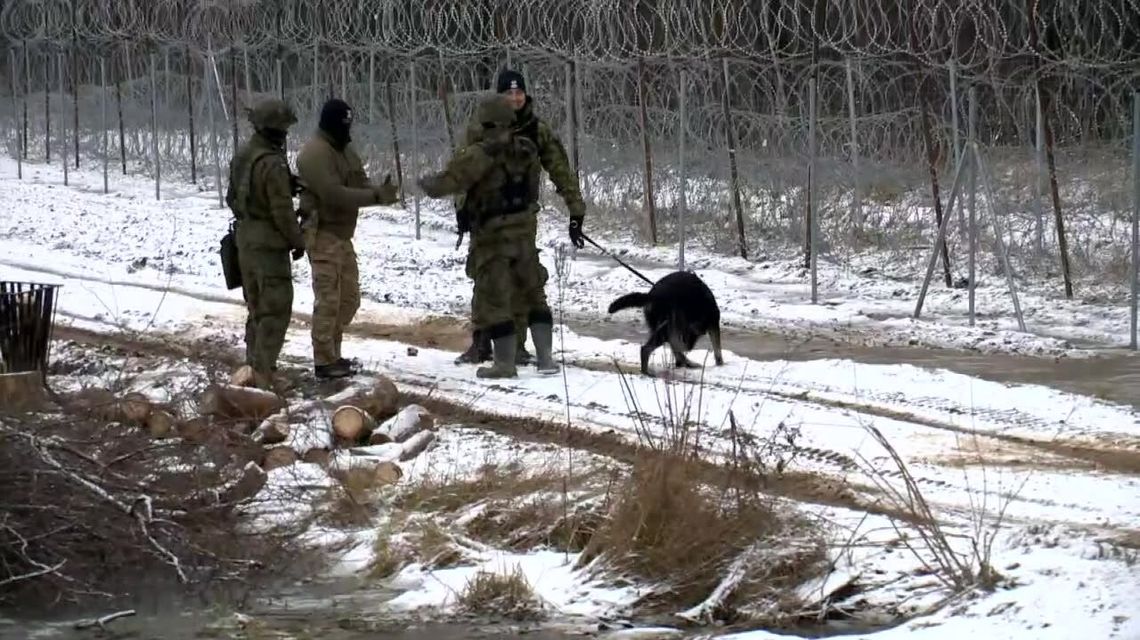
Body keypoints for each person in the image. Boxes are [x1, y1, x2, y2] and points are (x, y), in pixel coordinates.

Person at [419, 93, 578, 378]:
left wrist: (423, 182)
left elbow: (449, 183)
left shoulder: (480, 153)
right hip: (524, 230)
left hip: (493, 234)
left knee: (495, 298)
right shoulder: (528, 148)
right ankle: (546, 359)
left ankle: (505, 364)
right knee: (534, 293)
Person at [453, 69, 587, 366]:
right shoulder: (481, 128)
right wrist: (461, 207)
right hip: (486, 217)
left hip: (521, 218)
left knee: (522, 279)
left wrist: (576, 210)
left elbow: (560, 169)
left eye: (519, 92)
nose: (515, 98)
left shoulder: (536, 130)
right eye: (509, 93)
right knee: (485, 276)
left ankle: (516, 345)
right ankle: (481, 340)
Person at [295, 98, 400, 380]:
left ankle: (334, 353)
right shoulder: (314, 154)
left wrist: (380, 191)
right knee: (328, 300)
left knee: (349, 299)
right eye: (343, 124)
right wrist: (374, 196)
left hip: (342, 235)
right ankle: (324, 360)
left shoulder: (345, 150)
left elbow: (358, 182)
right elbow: (334, 194)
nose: (347, 129)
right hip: (322, 233)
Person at [224, 97, 305, 393]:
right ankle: (263, 376)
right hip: (269, 245)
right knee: (275, 310)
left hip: (245, 241)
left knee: (256, 308)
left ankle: (253, 368)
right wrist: (298, 241)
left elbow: (232, 198)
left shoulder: (244, 155)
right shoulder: (271, 162)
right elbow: (282, 211)